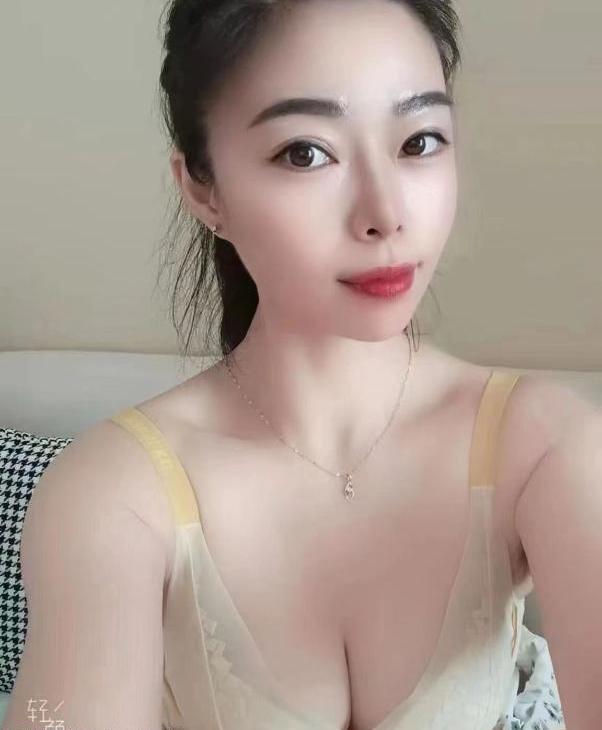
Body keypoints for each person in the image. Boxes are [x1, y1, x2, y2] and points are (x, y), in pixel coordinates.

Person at [4, 1, 596, 729]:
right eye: (305, 153)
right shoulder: (114, 493)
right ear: (203, 188)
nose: (385, 213)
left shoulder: (544, 446)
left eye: (419, 141)